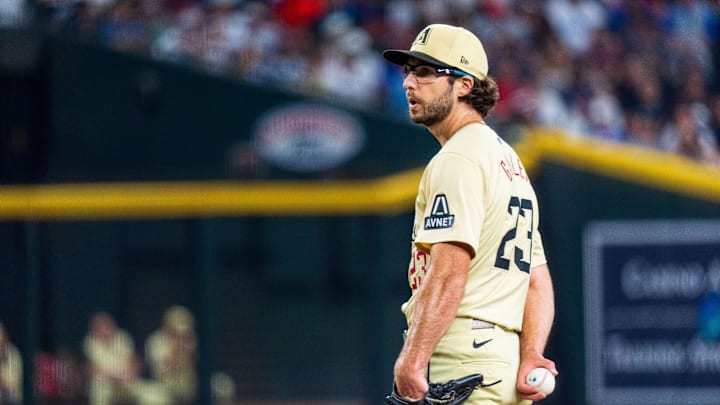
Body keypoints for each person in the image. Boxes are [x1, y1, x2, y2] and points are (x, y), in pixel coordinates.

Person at [382, 24, 557, 404]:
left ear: (463, 84)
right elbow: (536, 282)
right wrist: (529, 353)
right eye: (408, 72)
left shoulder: (458, 158)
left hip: (462, 360)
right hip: (502, 365)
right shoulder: (508, 160)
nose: (409, 83)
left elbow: (448, 277)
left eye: (425, 72)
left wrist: (411, 361)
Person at [83, 312, 171, 405]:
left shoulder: (123, 338)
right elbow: (91, 370)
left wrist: (130, 372)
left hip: (128, 382)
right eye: (100, 326)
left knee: (158, 395)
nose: (105, 329)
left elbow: (135, 362)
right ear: (94, 330)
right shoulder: (89, 344)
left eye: (107, 325)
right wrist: (114, 376)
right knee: (98, 395)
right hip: (105, 385)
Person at [145, 305, 198, 404]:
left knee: (224, 387)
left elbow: (195, 364)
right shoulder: (155, 341)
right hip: (163, 384)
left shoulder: (190, 340)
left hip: (190, 384)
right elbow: (166, 368)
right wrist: (177, 346)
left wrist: (186, 344)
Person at [0, 323, 22, 405]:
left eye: (1, 343)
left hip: (12, 399)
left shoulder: (13, 354)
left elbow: (16, 382)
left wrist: (3, 381)